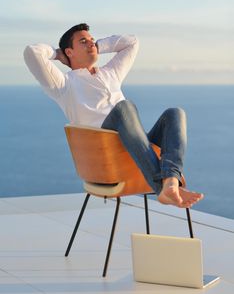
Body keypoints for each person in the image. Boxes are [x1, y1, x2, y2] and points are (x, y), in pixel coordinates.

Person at [24, 23, 203, 208]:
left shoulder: (110, 73)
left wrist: (99, 46)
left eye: (92, 40)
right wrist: (56, 53)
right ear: (69, 52)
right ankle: (160, 186)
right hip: (107, 159)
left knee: (175, 113)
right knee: (124, 108)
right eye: (83, 41)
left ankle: (170, 182)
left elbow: (132, 42)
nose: (91, 44)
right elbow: (32, 52)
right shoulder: (64, 85)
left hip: (135, 149)